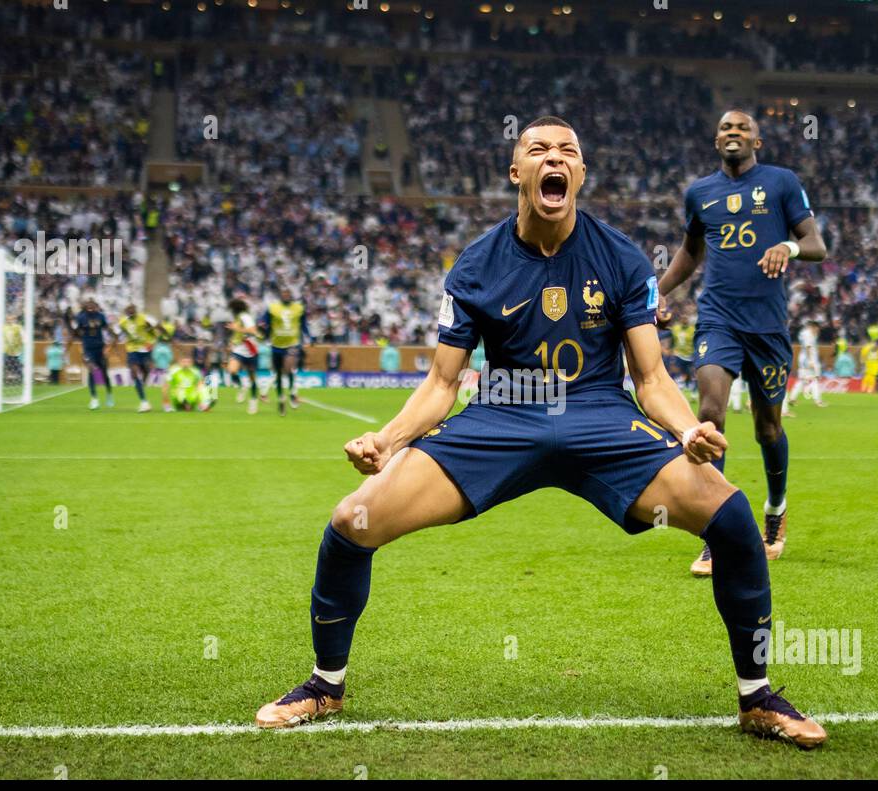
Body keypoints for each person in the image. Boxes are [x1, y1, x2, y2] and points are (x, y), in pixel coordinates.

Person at [254, 116, 826, 748]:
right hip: (502, 417)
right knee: (351, 522)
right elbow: (443, 386)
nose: (555, 158)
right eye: (539, 150)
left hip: (600, 417)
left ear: (579, 174)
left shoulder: (621, 257)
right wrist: (386, 441)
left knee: (732, 515)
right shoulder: (476, 265)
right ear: (517, 173)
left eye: (568, 152)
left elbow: (651, 375)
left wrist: (690, 428)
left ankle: (757, 698)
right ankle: (324, 686)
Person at [656, 109, 827, 572]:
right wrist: (657, 292)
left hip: (768, 327)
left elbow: (816, 243)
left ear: (758, 140)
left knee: (767, 427)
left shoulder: (781, 183)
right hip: (718, 321)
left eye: (742, 129)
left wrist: (786, 246)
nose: (734, 134)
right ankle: (718, 530)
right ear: (717, 142)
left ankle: (775, 510)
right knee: (709, 417)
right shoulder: (700, 193)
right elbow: (691, 253)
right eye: (726, 129)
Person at [263, 287, 305, 416]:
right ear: (280, 295)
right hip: (276, 345)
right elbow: (265, 323)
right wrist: (263, 331)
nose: (286, 295)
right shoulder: (273, 308)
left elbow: (303, 324)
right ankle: (281, 399)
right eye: (284, 293)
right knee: (279, 375)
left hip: (292, 344)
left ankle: (292, 393)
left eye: (288, 293)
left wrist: (309, 336)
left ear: (291, 295)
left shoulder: (298, 308)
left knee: (289, 368)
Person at [70, 299, 115, 410]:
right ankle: (94, 399)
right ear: (85, 307)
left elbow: (107, 329)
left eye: (92, 305)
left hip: (100, 348)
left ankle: (109, 394)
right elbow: (75, 332)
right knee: (92, 370)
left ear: (96, 306)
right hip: (88, 349)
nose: (90, 307)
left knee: (104, 373)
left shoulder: (101, 316)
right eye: (88, 305)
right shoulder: (81, 317)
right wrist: (73, 340)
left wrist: (113, 338)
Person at [118, 304, 163, 413]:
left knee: (146, 370)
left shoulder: (145, 318)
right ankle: (144, 402)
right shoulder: (123, 322)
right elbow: (122, 332)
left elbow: (159, 327)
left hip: (146, 348)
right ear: (126, 312)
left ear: (136, 310)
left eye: (132, 310)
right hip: (132, 349)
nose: (130, 312)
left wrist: (159, 336)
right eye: (128, 311)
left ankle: (141, 386)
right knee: (134, 372)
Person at [225, 296, 262, 415]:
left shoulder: (245, 317)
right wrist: (231, 342)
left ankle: (253, 400)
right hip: (239, 349)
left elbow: (253, 330)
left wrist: (238, 328)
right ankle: (242, 386)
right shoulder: (237, 318)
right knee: (231, 370)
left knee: (252, 378)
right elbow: (237, 333)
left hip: (251, 350)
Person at [789, 320, 826, 408]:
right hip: (808, 360)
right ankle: (818, 401)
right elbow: (808, 347)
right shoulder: (808, 334)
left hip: (804, 359)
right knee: (814, 379)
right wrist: (810, 361)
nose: (818, 331)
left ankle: (792, 398)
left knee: (802, 380)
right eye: (817, 329)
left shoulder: (804, 333)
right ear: (813, 327)